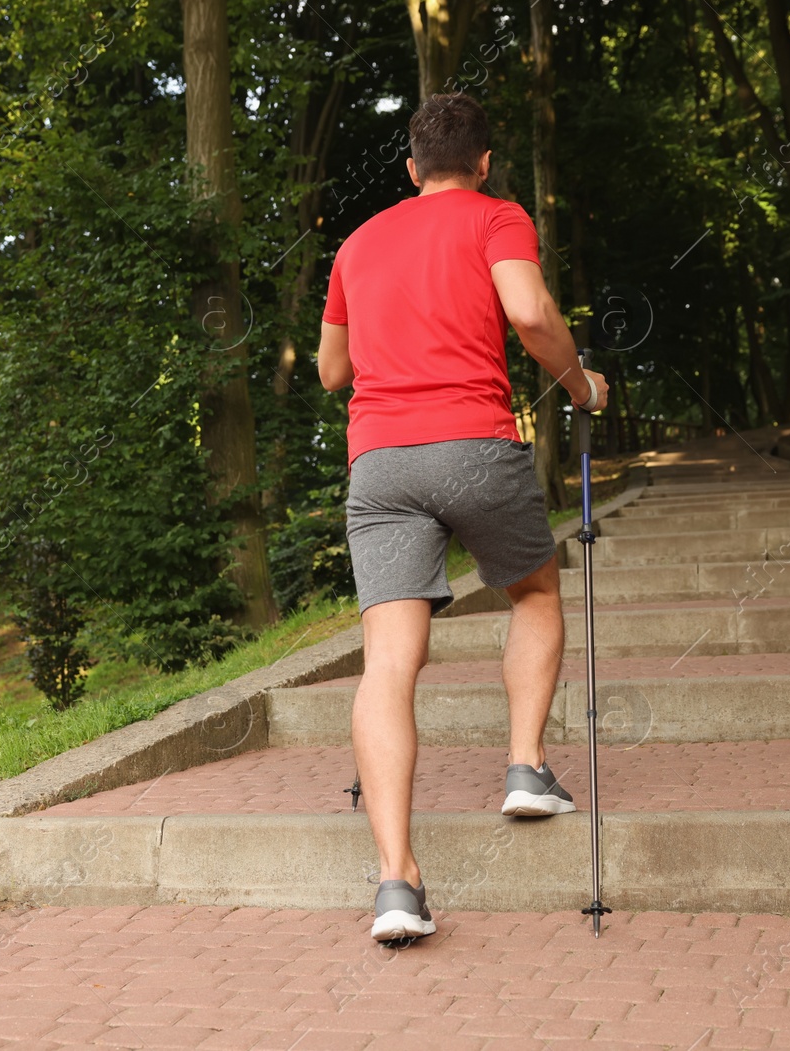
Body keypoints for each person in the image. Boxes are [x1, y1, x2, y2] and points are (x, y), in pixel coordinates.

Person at [317, 92, 609, 942]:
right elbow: (528, 312)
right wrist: (581, 383)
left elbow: (334, 370)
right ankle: (526, 765)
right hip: (474, 445)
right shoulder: (497, 217)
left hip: (378, 464)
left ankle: (396, 882)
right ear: (484, 162)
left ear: (411, 168)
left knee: (388, 664)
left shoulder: (360, 241)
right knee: (535, 593)